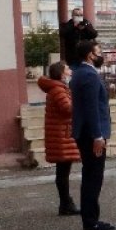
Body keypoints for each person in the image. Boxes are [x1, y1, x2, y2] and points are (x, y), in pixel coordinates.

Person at [70, 40, 114, 230]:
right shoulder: (89, 75)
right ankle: (91, 221)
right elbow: (91, 109)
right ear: (90, 55)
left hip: (86, 133)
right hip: (91, 134)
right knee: (93, 178)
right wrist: (98, 135)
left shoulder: (80, 72)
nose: (101, 54)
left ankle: (91, 218)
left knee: (91, 176)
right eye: (98, 51)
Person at [38, 61, 80, 216]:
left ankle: (66, 203)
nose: (70, 71)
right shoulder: (58, 90)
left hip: (60, 134)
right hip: (61, 136)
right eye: (68, 69)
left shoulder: (57, 88)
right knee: (63, 172)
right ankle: (66, 204)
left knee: (62, 171)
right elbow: (67, 109)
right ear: (61, 73)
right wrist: (80, 99)